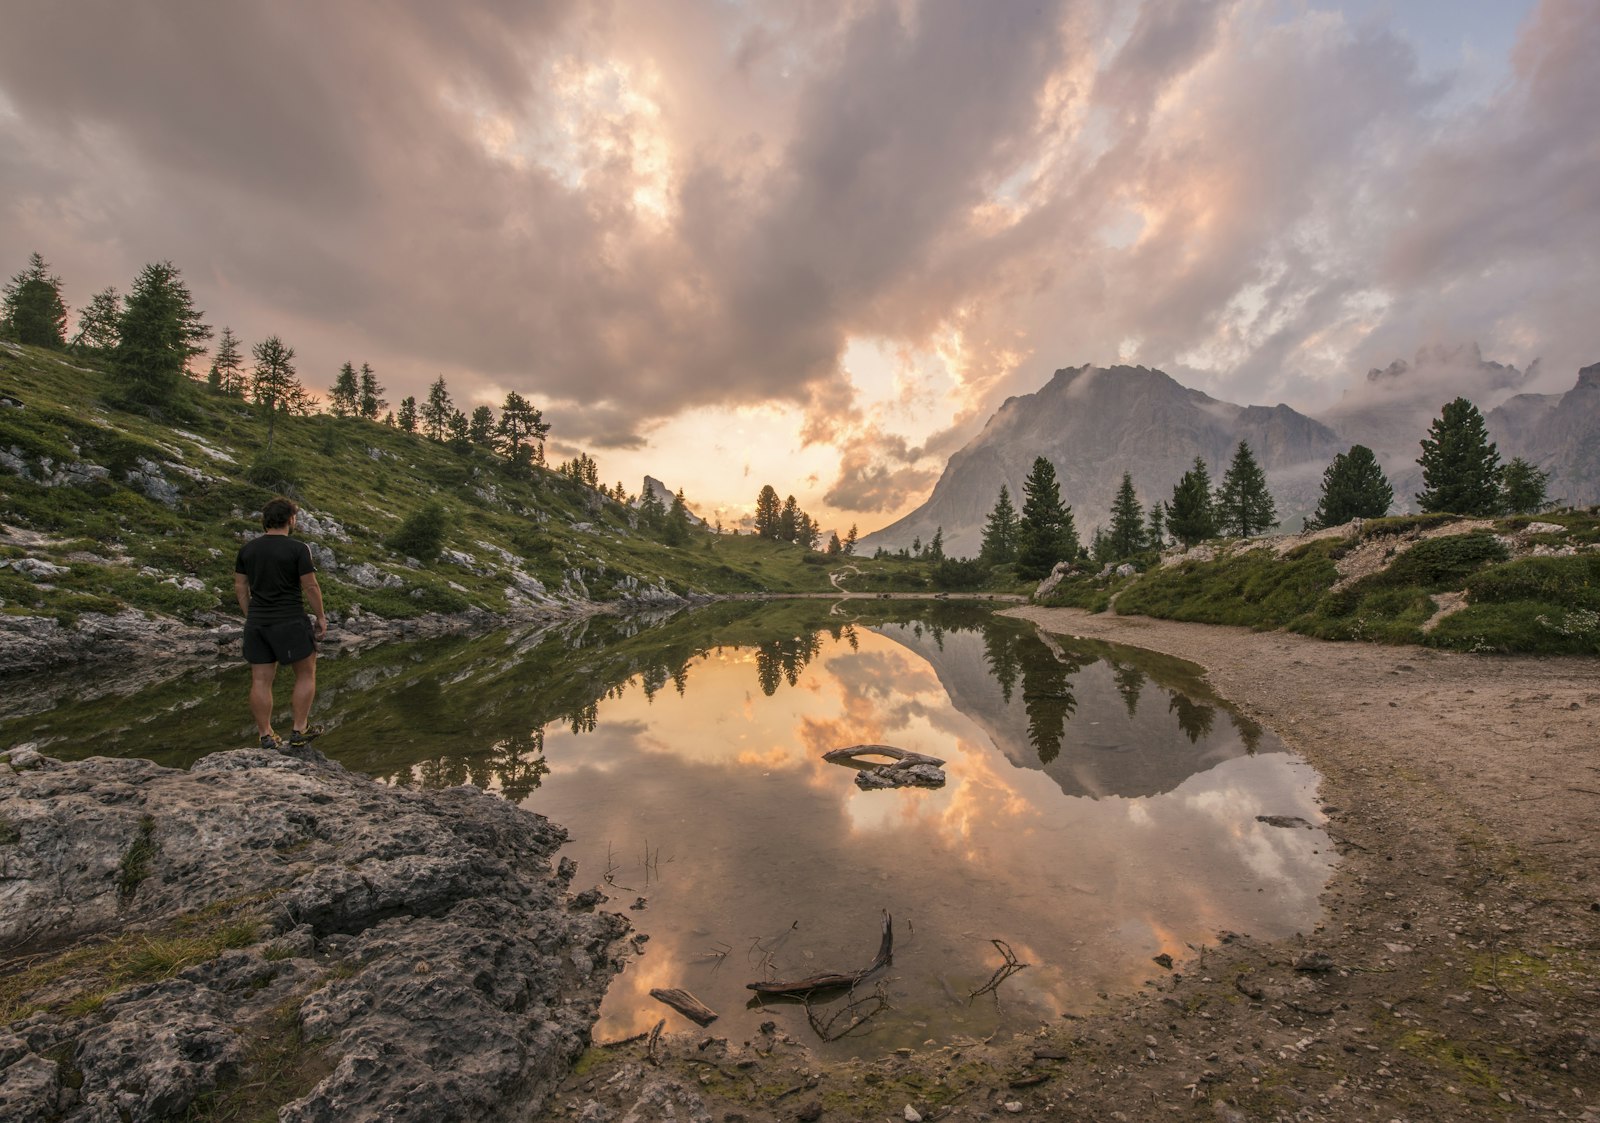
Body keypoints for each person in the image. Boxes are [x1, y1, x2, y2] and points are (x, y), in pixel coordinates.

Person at [234, 496, 327, 749]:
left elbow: (241, 587)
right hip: (290, 620)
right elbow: (310, 585)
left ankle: (265, 735)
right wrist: (320, 616)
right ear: (291, 519)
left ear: (266, 521)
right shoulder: (298, 549)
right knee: (306, 674)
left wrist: (249, 615)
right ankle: (299, 730)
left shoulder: (247, 550)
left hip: (258, 622)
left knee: (261, 680)